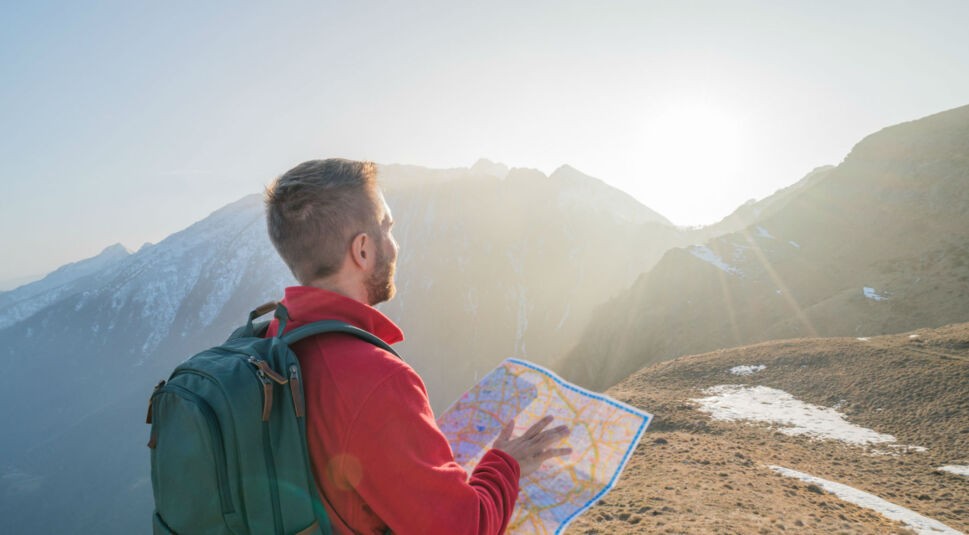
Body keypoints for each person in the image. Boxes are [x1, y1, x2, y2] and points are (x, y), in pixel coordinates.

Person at [263, 158, 571, 534]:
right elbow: (463, 528)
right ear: (362, 250)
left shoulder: (269, 341)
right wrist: (507, 463)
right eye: (387, 228)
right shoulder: (377, 379)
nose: (394, 244)